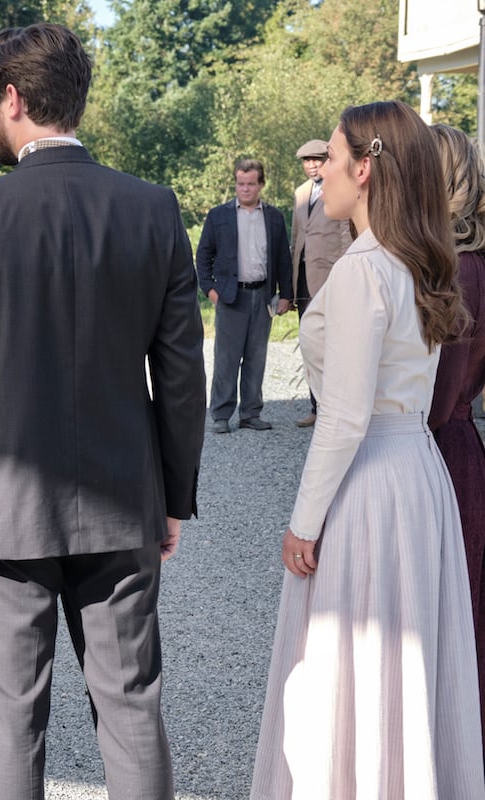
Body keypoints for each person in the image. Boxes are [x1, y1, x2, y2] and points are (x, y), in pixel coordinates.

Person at [0, 23, 206, 800]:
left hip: (3, 511)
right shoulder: (152, 209)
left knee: (12, 724)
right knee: (132, 710)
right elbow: (181, 376)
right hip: (122, 500)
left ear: (11, 98)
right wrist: (172, 496)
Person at [251, 101, 484, 799]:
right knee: (404, 662)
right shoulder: (418, 261)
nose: (320, 173)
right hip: (419, 474)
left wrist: (303, 522)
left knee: (352, 659)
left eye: (331, 157)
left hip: (372, 479)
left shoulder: (363, 270)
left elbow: (345, 418)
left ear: (365, 171)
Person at [429, 121, 485, 769]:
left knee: (454, 620)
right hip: (453, 447)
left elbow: (440, 400)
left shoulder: (463, 271)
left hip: (445, 452)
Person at [196, 159, 293, 433]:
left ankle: (250, 413)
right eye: (241, 184)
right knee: (226, 359)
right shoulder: (219, 216)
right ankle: (220, 415)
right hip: (231, 296)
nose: (245, 189)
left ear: (261, 184)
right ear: (236, 184)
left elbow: (283, 259)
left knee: (256, 357)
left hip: (262, 295)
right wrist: (210, 289)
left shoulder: (274, 217)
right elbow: (203, 255)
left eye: (251, 184)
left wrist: (286, 294)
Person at [290, 138, 352, 427]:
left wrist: (345, 272)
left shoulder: (338, 187)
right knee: (310, 343)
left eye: (317, 160)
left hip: (330, 276)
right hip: (303, 279)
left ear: (327, 161)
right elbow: (296, 238)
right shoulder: (301, 193)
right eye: (307, 161)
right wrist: (290, 286)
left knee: (334, 344)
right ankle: (316, 407)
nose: (312, 165)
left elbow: (345, 233)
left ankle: (335, 408)